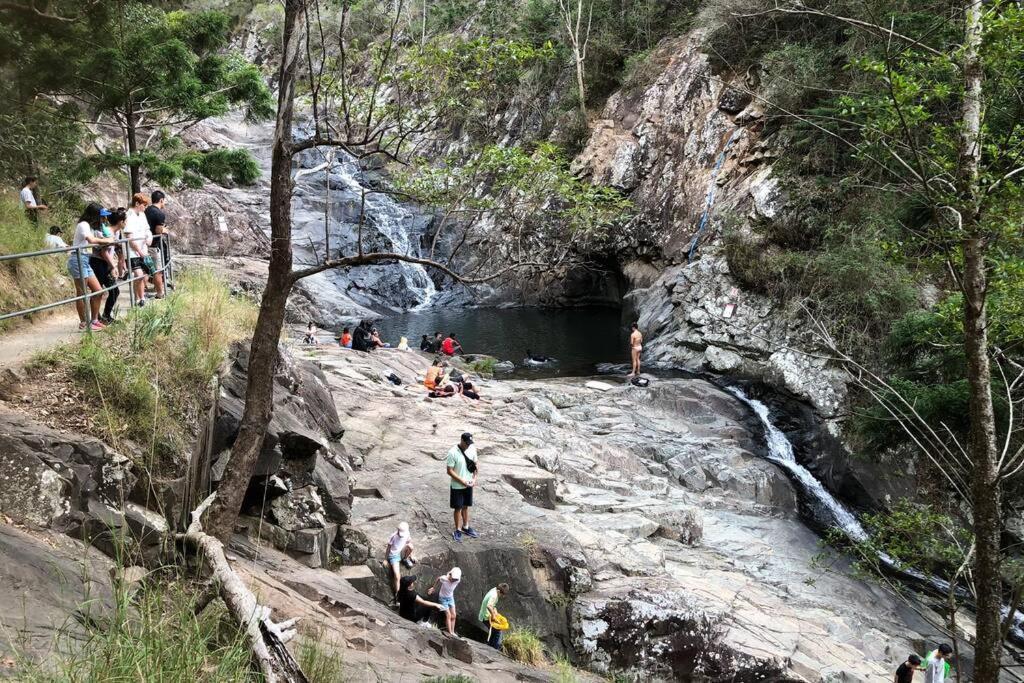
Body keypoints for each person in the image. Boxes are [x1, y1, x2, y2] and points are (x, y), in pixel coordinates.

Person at [68, 203, 114, 331]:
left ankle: (94, 320)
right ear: (94, 215)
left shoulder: (92, 227)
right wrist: (108, 241)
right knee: (82, 293)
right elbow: (92, 240)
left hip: (85, 259)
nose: (103, 219)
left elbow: (102, 237)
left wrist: (107, 238)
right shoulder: (83, 225)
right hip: (78, 259)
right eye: (101, 216)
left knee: (98, 291)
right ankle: (84, 322)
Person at [89, 208, 122, 325]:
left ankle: (105, 316)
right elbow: (103, 252)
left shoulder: (104, 229)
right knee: (97, 291)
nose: (105, 219)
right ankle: (96, 318)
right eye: (103, 217)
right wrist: (113, 266)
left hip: (104, 263)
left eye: (105, 217)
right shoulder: (99, 230)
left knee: (114, 291)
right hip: (98, 263)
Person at [446, 433, 479, 542]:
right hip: (457, 485)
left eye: (470, 443)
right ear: (462, 440)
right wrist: (462, 481)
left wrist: (474, 479)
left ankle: (465, 526)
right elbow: (449, 470)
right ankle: (457, 530)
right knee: (458, 507)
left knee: (465, 506)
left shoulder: (472, 449)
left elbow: (475, 465)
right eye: (467, 443)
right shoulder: (452, 452)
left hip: (469, 483)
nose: (468, 445)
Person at [124, 193, 153, 306]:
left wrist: (149, 238)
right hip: (132, 252)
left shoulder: (142, 215)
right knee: (139, 274)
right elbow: (129, 238)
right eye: (144, 205)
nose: (145, 208)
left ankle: (139, 296)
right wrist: (139, 251)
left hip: (143, 249)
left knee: (145, 275)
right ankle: (140, 299)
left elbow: (147, 230)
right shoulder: (128, 216)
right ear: (137, 204)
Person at [145, 190, 169, 298]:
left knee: (145, 269)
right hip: (153, 245)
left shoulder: (147, 210)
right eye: (164, 201)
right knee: (157, 270)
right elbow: (158, 230)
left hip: (144, 244)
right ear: (161, 200)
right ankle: (160, 293)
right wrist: (165, 230)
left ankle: (143, 292)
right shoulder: (159, 214)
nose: (164, 203)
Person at [385, 521, 416, 599]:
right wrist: (386, 559)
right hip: (394, 555)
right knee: (397, 575)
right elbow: (388, 548)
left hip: (401, 552)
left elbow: (409, 542)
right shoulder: (394, 536)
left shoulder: (407, 534)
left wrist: (411, 555)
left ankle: (405, 559)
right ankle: (397, 595)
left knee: (411, 546)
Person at [427, 567, 462, 636]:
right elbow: (438, 579)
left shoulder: (457, 580)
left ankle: (452, 631)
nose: (454, 580)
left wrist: (455, 579)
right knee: (448, 615)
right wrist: (433, 587)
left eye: (455, 579)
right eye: (453, 578)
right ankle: (450, 633)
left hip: (450, 598)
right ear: (450, 574)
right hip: (442, 598)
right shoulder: (444, 578)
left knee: (454, 615)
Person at [478, 583, 510, 650]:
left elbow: (493, 605)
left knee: (494, 631)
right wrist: (493, 616)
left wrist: (495, 612)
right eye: (502, 594)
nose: (502, 596)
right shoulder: (494, 595)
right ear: (499, 591)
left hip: (485, 615)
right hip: (486, 617)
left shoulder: (494, 590)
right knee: (498, 631)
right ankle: (495, 650)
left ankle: (490, 647)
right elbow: (489, 606)